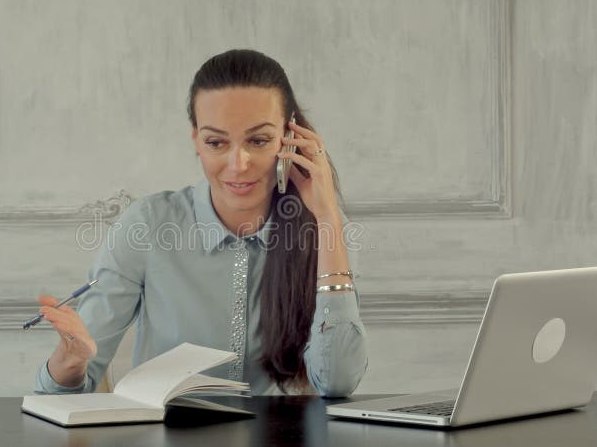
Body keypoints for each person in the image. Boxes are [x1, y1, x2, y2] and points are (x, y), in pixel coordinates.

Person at [34, 49, 368, 396]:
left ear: (291, 138)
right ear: (196, 141)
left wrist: (328, 218)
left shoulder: (324, 228)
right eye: (216, 142)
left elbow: (337, 382)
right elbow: (67, 391)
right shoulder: (147, 225)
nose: (239, 163)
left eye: (258, 140)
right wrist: (68, 365)